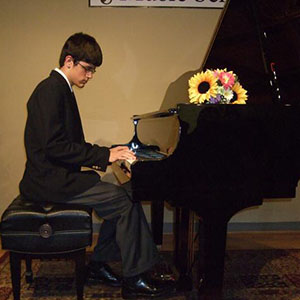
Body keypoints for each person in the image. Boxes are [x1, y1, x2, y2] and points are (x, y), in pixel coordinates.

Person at [19, 32, 174, 299]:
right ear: (69, 61)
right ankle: (135, 278)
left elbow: (65, 144)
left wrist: (108, 152)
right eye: (87, 69)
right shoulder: (49, 90)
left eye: (93, 71)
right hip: (49, 182)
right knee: (123, 201)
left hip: (58, 176)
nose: (90, 76)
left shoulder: (59, 89)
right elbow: (54, 147)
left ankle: (100, 264)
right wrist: (104, 156)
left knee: (127, 193)